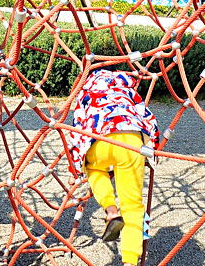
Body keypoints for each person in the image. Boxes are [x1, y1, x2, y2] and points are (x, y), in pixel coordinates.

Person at [66, 68, 158, 266]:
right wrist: (153, 150)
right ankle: (130, 262)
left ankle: (110, 210)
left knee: (95, 170)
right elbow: (149, 119)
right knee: (133, 206)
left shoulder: (86, 92)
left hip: (99, 141)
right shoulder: (128, 92)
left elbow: (77, 128)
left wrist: (75, 168)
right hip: (131, 141)